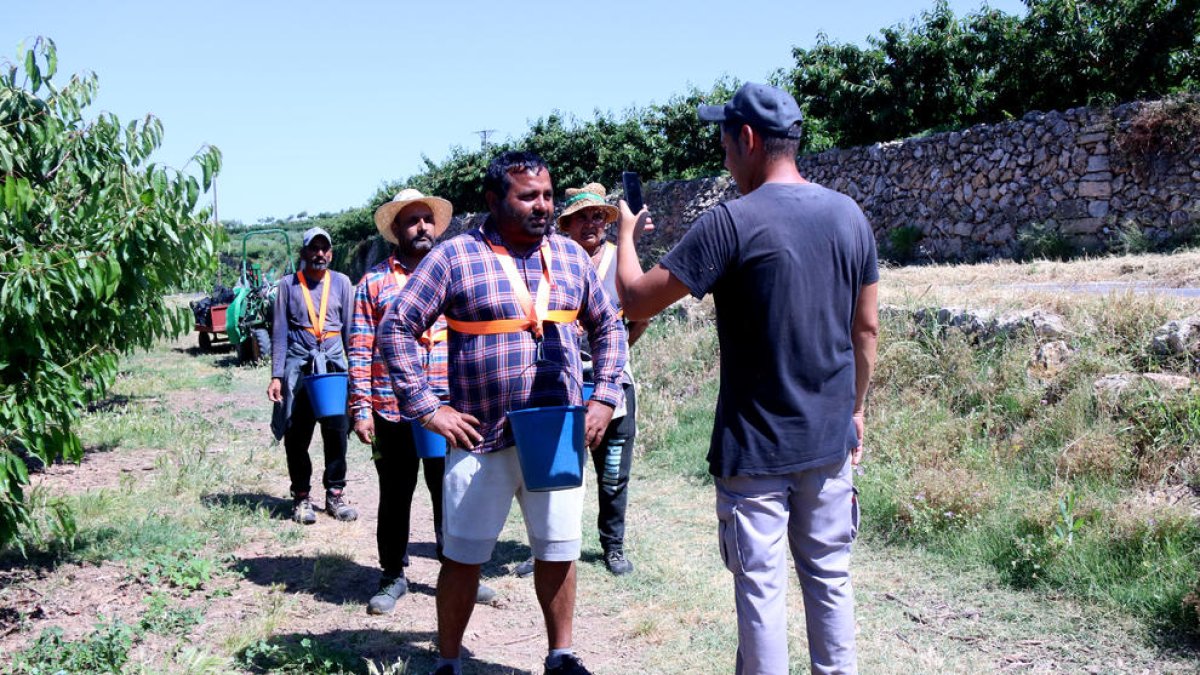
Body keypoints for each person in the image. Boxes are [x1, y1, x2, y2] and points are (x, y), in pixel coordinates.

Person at [613, 83, 880, 674]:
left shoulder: (730, 223)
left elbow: (634, 301)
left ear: (750, 140)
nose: (724, 156)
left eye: (726, 142)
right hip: (829, 442)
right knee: (830, 579)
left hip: (755, 450)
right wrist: (856, 410)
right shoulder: (849, 216)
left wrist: (625, 235)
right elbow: (866, 331)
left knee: (761, 594)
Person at [378, 151, 627, 675]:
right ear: (494, 200)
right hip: (478, 434)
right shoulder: (454, 257)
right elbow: (396, 326)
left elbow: (610, 327)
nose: (543, 206)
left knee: (558, 549)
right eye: (529, 196)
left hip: (555, 432)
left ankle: (561, 656)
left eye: (548, 195)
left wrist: (603, 395)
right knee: (464, 556)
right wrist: (428, 408)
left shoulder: (570, 257)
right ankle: (449, 661)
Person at [350, 188, 496, 614]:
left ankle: (461, 573)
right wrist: (361, 409)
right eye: (411, 221)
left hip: (447, 407)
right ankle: (392, 576)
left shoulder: (454, 275)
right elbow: (360, 350)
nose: (421, 228)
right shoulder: (373, 283)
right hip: (390, 406)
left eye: (427, 220)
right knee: (395, 494)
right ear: (396, 231)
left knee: (453, 492)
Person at [514, 183, 648, 578]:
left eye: (597, 216)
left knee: (611, 473)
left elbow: (640, 316)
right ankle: (544, 548)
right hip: (560, 381)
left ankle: (613, 547)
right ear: (566, 225)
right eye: (580, 218)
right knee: (553, 474)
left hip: (612, 383)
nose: (590, 224)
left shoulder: (620, 258)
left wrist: (613, 352)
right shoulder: (550, 262)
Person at [268, 227, 359, 524]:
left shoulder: (343, 283)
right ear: (303, 252)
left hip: (332, 369)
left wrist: (356, 375)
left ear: (331, 253)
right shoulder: (288, 285)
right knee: (296, 435)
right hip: (299, 369)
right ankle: (302, 498)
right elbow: (280, 333)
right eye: (314, 249)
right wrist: (276, 376)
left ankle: (335, 494)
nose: (320, 254)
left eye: (325, 249)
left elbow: (350, 332)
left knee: (336, 433)